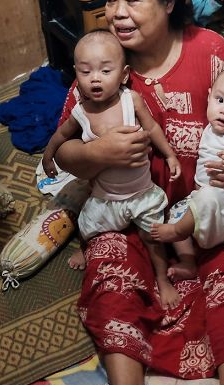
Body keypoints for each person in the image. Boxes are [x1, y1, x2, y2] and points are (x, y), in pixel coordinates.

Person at [53, 0, 224, 385]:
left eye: (132, 0)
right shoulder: (102, 65)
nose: (117, 13)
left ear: (168, 0)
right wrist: (96, 155)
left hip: (205, 212)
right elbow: (64, 151)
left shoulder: (211, 52)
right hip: (133, 215)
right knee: (110, 267)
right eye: (109, 0)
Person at [41, 30, 183, 308]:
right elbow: (60, 136)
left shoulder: (132, 101)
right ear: (76, 74)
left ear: (124, 74)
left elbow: (153, 128)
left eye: (105, 70)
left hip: (142, 193)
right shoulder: (81, 112)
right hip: (105, 198)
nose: (95, 77)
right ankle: (86, 251)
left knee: (154, 238)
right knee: (87, 226)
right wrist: (48, 157)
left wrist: (170, 155)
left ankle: (162, 280)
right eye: (86, 71)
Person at [151, 66, 224, 276]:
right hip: (203, 204)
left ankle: (178, 232)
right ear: (209, 97)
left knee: (207, 196)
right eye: (220, 100)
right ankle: (188, 262)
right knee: (175, 211)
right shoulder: (212, 127)